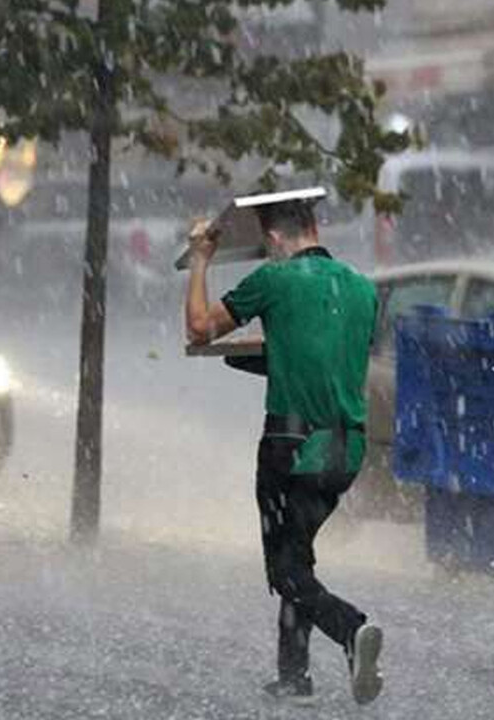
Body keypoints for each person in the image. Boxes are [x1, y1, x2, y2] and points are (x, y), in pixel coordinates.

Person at [184, 198, 384, 706]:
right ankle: (294, 676)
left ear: (273, 239)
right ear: (316, 227)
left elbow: (200, 327)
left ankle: (350, 628)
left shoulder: (274, 281)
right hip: (346, 450)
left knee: (285, 571)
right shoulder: (362, 288)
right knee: (298, 556)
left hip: (291, 447)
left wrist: (202, 258)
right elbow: (328, 358)